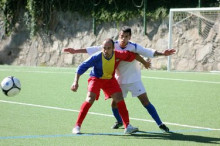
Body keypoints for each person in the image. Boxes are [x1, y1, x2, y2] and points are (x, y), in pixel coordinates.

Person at [64, 26, 176, 133]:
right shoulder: (106, 49)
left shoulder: (127, 49)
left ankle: (133, 125)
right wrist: (75, 54)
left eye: (126, 36)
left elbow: (138, 54)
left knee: (131, 100)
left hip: (124, 79)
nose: (123, 38)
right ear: (119, 35)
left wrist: (157, 56)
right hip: (105, 79)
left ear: (130, 37)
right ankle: (78, 125)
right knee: (94, 100)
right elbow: (89, 55)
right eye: (122, 36)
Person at [65, 38, 150, 134]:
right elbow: (81, 67)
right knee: (89, 99)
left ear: (113, 48)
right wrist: (75, 82)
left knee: (119, 98)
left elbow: (133, 55)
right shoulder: (97, 56)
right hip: (96, 79)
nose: (106, 50)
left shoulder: (118, 54)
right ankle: (77, 126)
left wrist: (145, 62)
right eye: (104, 48)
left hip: (109, 79)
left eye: (109, 48)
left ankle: (127, 126)